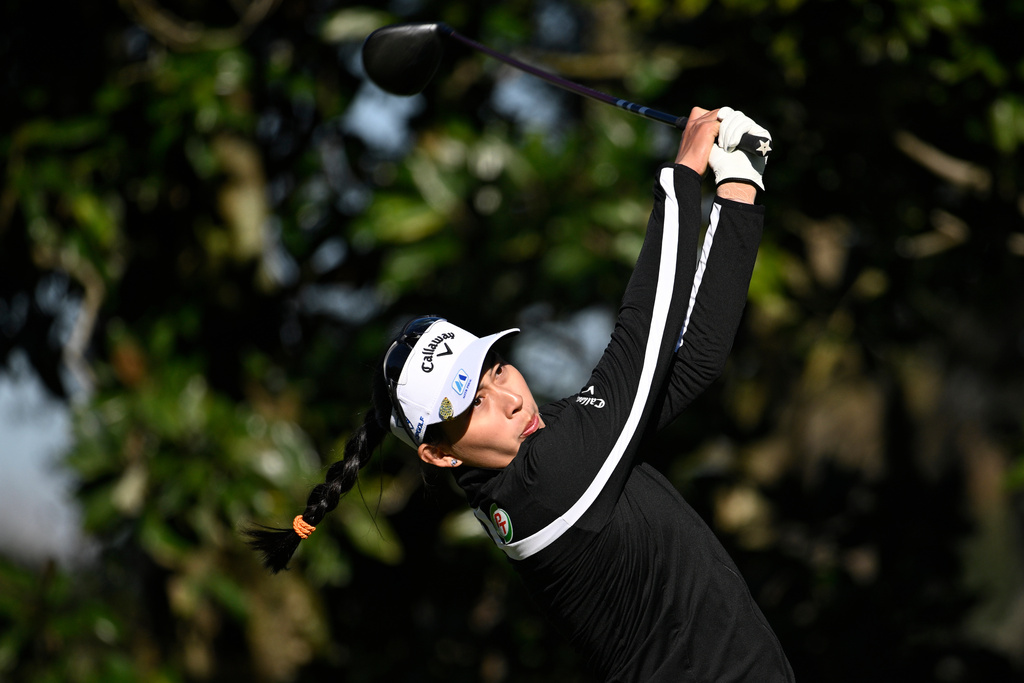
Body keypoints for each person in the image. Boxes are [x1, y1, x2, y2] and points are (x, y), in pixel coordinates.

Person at [248, 107, 795, 681]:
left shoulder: (538, 458)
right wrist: (683, 173)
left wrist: (739, 183)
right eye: (474, 403)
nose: (510, 397)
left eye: (497, 370)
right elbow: (644, 335)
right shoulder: (547, 483)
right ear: (439, 454)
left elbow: (691, 362)